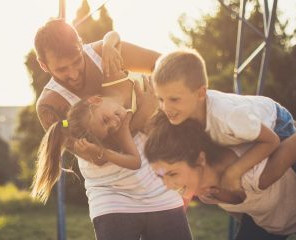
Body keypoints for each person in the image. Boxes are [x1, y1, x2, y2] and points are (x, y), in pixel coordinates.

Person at [32, 18, 192, 240]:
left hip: (158, 182)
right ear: (44, 65)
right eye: (62, 69)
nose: (74, 73)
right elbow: (97, 156)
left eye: (77, 61)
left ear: (81, 44)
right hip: (110, 194)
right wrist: (143, 111)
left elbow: (166, 67)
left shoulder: (105, 53)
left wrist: (159, 101)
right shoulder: (51, 106)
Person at [152, 49, 296, 219]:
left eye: (174, 99)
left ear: (200, 93)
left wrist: (234, 172)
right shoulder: (181, 115)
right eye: (161, 99)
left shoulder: (227, 116)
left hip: (274, 124)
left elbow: (271, 141)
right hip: (248, 132)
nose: (166, 108)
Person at [144, 112, 296, 239]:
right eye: (161, 177)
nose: (168, 185)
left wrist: (293, 128)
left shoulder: (255, 173)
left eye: (172, 173)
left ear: (200, 160)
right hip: (267, 225)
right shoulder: (205, 193)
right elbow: (244, 210)